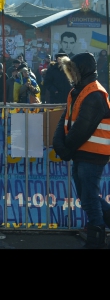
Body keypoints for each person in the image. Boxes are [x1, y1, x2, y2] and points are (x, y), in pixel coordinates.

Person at [53, 53, 110, 248]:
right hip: (83, 151)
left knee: (89, 197)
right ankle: (99, 231)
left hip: (92, 153)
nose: (70, 75)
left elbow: (82, 128)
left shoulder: (94, 93)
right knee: (87, 196)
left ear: (81, 71)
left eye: (72, 71)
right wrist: (60, 142)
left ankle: (96, 238)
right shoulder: (79, 91)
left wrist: (65, 146)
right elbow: (66, 119)